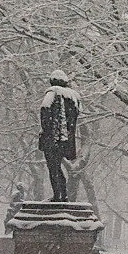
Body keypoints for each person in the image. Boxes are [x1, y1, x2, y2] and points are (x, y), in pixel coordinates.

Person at [38, 70, 80, 202]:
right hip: (66, 140)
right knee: (57, 167)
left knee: (53, 167)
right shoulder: (74, 97)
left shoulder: (53, 92)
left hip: (53, 138)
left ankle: (58, 195)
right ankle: (63, 195)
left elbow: (44, 108)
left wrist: (46, 130)